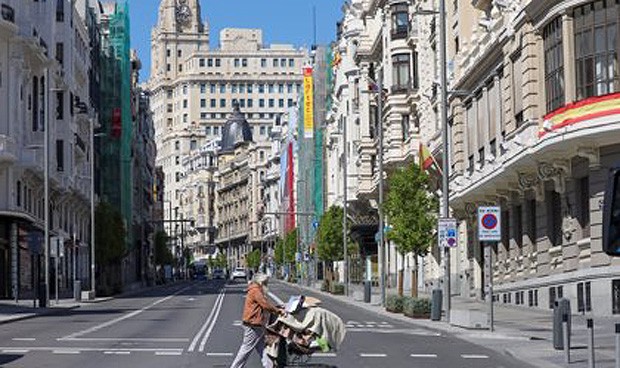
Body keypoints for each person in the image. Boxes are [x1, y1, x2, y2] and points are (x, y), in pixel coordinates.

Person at [230, 273, 283, 368]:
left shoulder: (255, 289)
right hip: (253, 323)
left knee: (261, 348)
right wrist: (278, 311)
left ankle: (269, 366)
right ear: (261, 282)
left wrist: (276, 308)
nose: (267, 285)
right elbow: (265, 304)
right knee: (246, 348)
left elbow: (264, 304)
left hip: (255, 323)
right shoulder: (256, 291)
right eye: (266, 283)